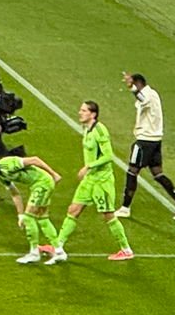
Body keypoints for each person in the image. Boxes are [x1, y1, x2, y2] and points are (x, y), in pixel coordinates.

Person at [46, 101, 134, 264]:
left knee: (108, 215)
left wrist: (88, 166)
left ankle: (126, 249)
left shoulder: (100, 130)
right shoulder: (87, 129)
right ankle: (58, 246)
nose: (80, 113)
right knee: (73, 210)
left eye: (84, 110)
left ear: (93, 114)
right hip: (90, 180)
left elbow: (108, 156)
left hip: (102, 180)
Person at [116, 73, 175, 220]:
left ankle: (125, 208)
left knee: (132, 172)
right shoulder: (153, 94)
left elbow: (142, 99)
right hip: (155, 141)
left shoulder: (147, 94)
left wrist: (132, 88)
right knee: (158, 174)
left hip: (145, 141)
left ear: (138, 84)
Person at [0, 154, 61, 264]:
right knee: (42, 218)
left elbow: (34, 160)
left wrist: (54, 174)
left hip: (42, 184)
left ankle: (34, 253)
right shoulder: (1, 176)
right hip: (40, 184)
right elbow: (15, 194)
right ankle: (60, 252)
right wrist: (20, 215)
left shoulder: (7, 164)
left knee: (29, 218)